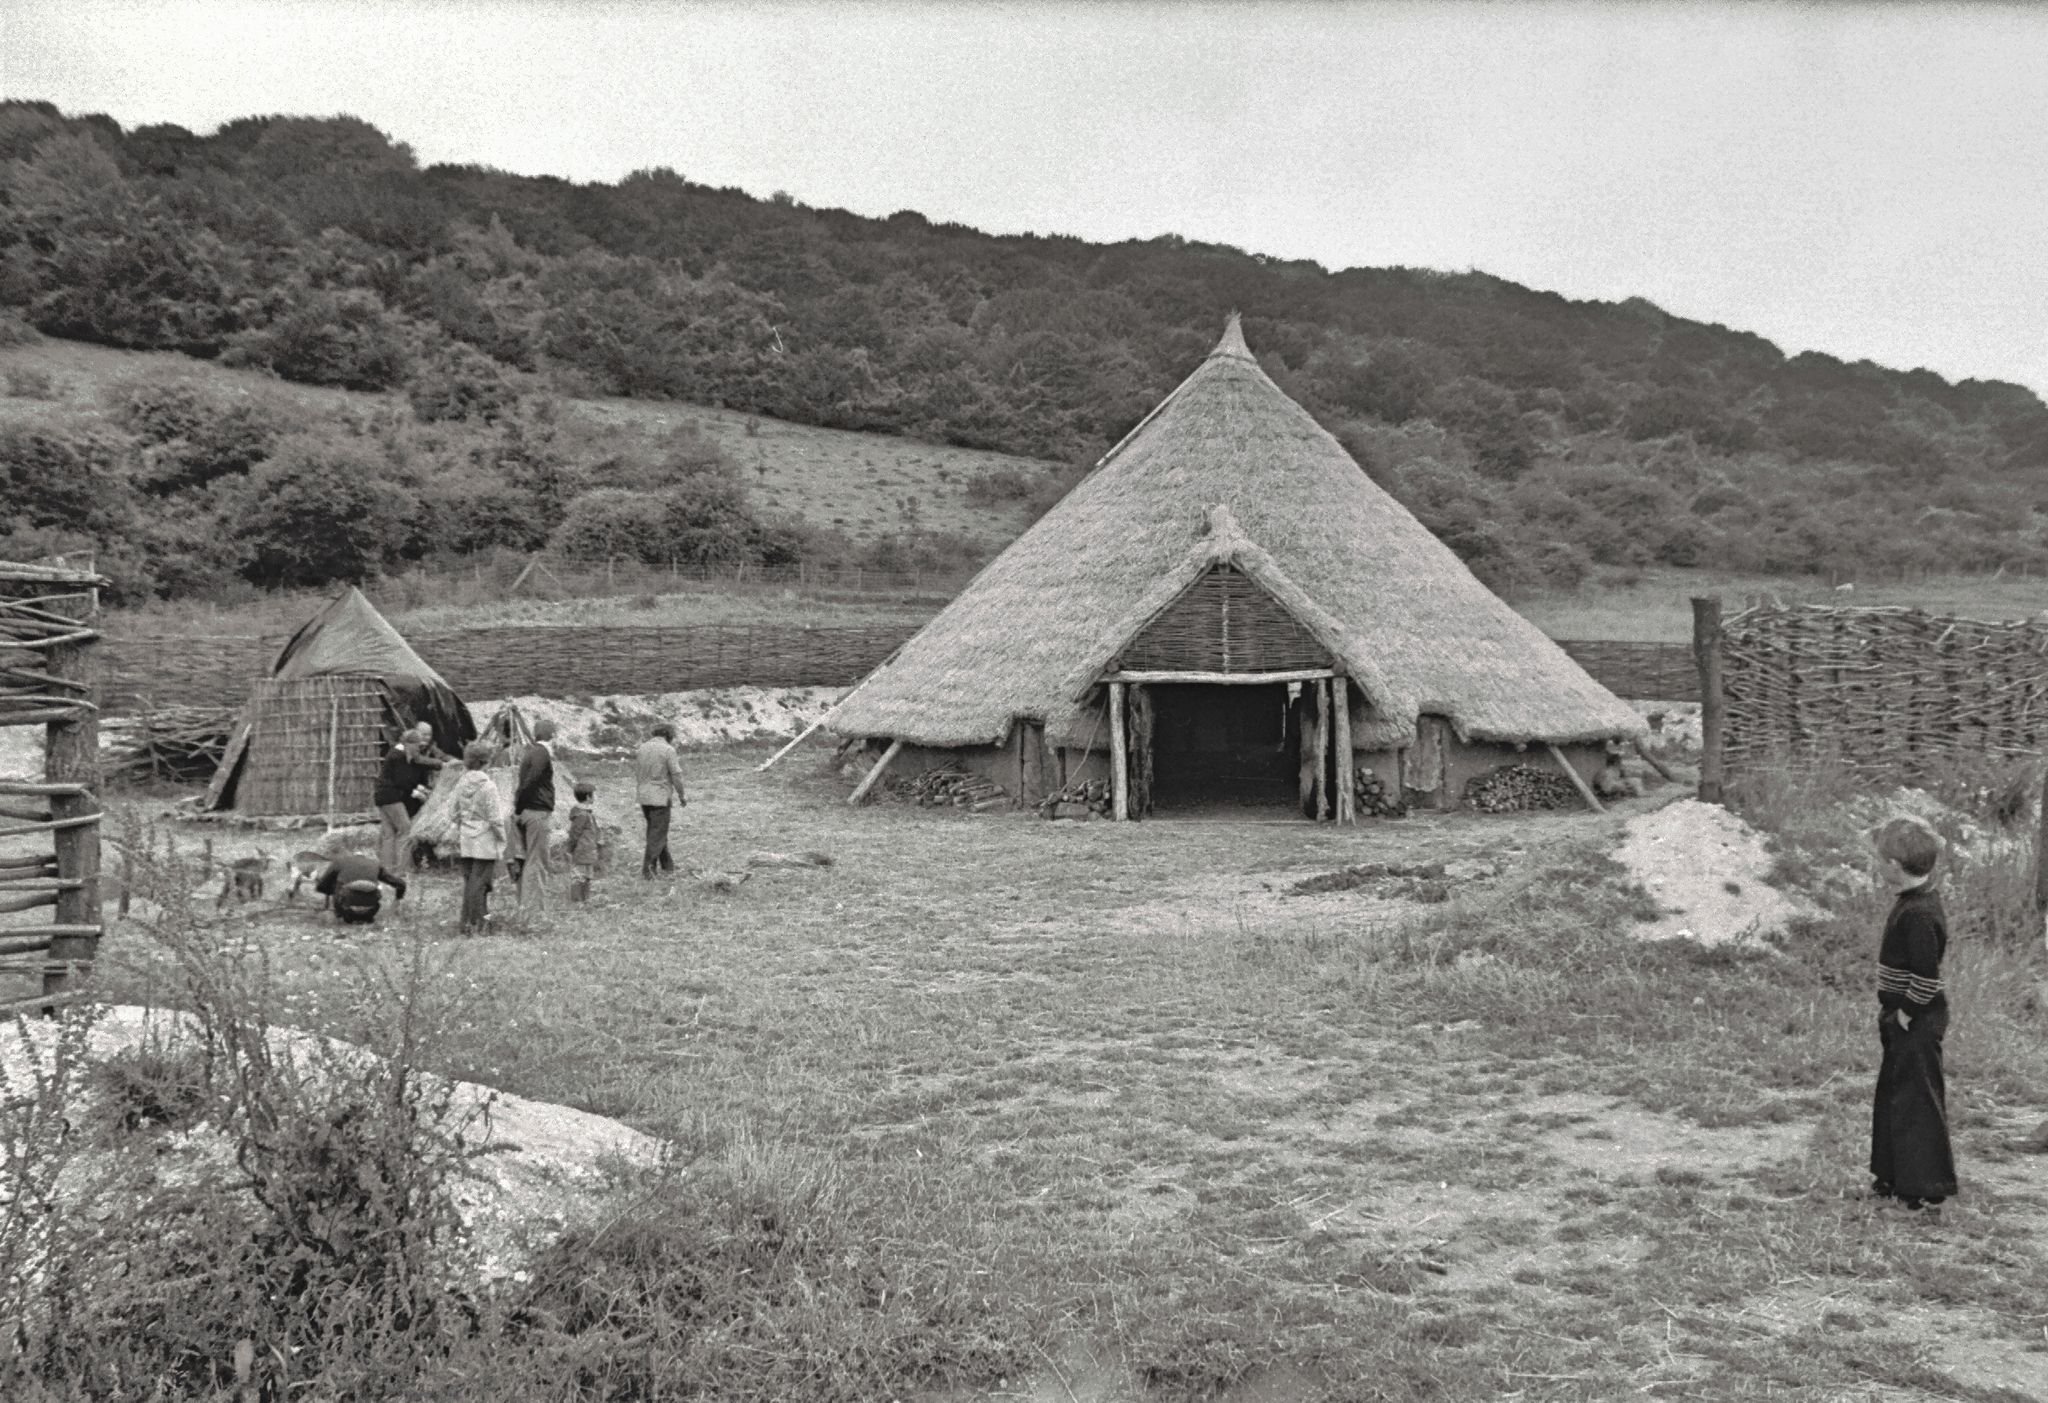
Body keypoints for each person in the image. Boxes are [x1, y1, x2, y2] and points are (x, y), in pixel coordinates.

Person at [1869, 814, 1958, 1213]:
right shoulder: (1910, 903)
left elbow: (1927, 976)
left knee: (1916, 1101)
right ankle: (1892, 1177)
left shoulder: (1920, 913)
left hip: (1915, 1020)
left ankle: (1926, 1186)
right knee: (1894, 1095)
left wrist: (1906, 1011)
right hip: (1900, 1018)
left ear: (1892, 866)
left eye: (1878, 859)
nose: (1876, 864)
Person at [372, 721, 449, 872]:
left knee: (389, 834)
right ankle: (402, 869)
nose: (419, 749)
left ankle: (386, 869)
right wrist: (417, 791)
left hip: (381, 797)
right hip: (391, 797)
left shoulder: (395, 752)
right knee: (405, 830)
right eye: (417, 745)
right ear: (410, 744)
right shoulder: (399, 756)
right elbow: (403, 781)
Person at [450, 740, 507, 935]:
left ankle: (467, 922)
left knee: (470, 882)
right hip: (485, 838)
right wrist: (502, 838)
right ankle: (479, 924)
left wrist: (465, 822)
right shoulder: (488, 786)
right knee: (481, 883)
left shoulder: (461, 783)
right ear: (486, 761)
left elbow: (452, 813)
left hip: (466, 836)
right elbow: (495, 817)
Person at [511, 719, 558, 915]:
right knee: (537, 861)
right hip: (537, 812)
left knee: (528, 860)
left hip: (527, 811)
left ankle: (525, 906)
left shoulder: (531, 751)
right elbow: (532, 780)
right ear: (553, 735)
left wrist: (519, 807)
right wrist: (520, 805)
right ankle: (533, 912)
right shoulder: (542, 753)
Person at [633, 722, 688, 879]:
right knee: (657, 834)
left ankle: (667, 865)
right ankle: (648, 871)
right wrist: (682, 795)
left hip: (643, 796)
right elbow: (676, 775)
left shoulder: (642, 748)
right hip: (660, 797)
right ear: (669, 735)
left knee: (656, 831)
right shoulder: (668, 750)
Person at [311, 851, 408, 926]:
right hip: (370, 911)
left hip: (345, 910)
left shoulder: (340, 862)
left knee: (337, 884)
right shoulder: (375, 864)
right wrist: (397, 899)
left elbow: (322, 885)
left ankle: (343, 911)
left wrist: (332, 891)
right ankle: (363, 914)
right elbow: (401, 884)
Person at [566, 781, 603, 903]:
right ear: (588, 797)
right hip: (582, 851)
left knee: (587, 876)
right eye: (593, 795)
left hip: (587, 851)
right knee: (579, 876)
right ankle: (577, 901)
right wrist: (570, 848)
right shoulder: (582, 815)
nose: (595, 797)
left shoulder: (586, 814)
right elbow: (574, 834)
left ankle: (585, 899)